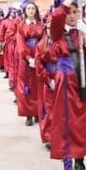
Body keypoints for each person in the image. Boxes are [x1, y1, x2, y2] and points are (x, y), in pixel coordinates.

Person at [49, 0, 86, 170]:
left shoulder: (84, 31)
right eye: (69, 12)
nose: (72, 15)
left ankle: (80, 161)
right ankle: (67, 167)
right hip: (66, 82)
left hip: (84, 82)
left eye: (75, 12)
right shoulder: (57, 32)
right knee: (66, 123)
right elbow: (56, 17)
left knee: (83, 123)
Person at [16, 1, 44, 126]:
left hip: (39, 56)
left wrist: (38, 56)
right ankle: (28, 114)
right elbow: (20, 43)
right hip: (25, 59)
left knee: (39, 85)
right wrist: (28, 57)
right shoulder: (21, 26)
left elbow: (44, 41)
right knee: (26, 85)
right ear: (25, 11)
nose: (31, 10)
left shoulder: (41, 25)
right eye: (29, 8)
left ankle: (38, 112)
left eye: (33, 8)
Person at [35, 16, 56, 149]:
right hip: (49, 80)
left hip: (64, 78)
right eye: (48, 28)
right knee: (50, 109)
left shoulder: (65, 43)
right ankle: (49, 136)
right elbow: (39, 64)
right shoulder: (42, 45)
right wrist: (48, 80)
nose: (51, 30)